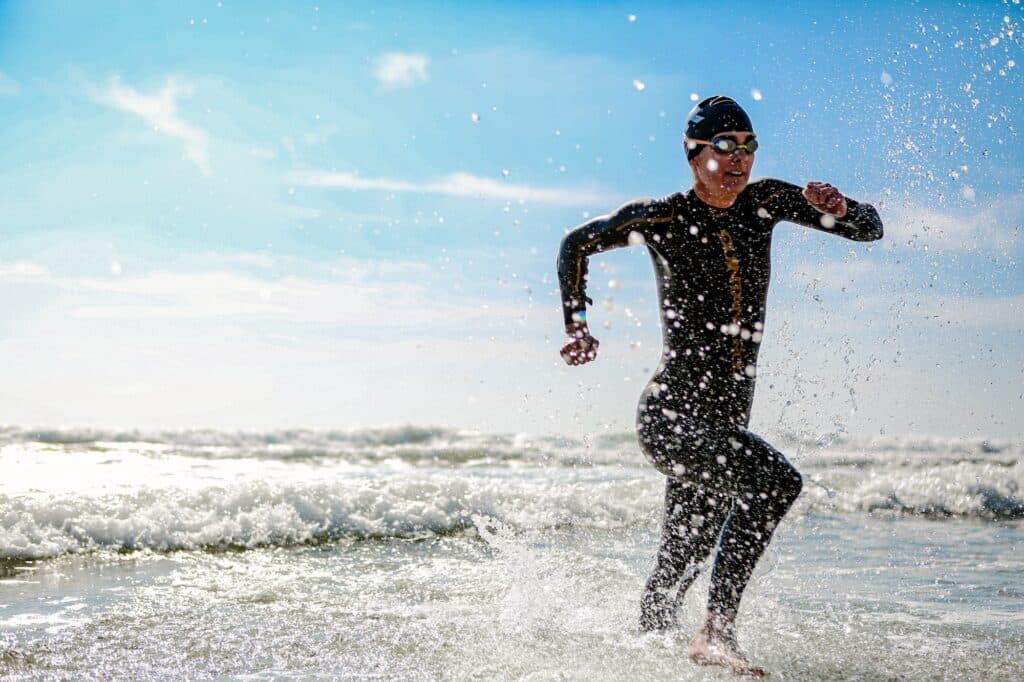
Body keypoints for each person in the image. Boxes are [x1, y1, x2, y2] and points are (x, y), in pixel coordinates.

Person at [556, 95, 883, 676]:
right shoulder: (662, 217)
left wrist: (843, 207)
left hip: (723, 424)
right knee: (774, 481)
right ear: (694, 152)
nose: (740, 158)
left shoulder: (766, 202)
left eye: (749, 146)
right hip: (672, 418)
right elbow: (575, 243)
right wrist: (577, 324)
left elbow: (870, 231)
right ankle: (717, 631)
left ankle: (640, 664)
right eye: (725, 145)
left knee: (675, 571)